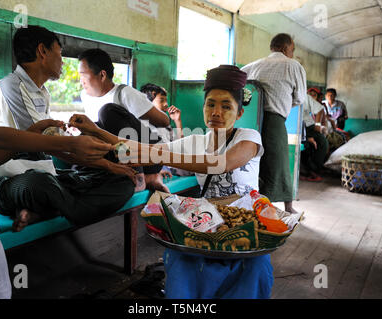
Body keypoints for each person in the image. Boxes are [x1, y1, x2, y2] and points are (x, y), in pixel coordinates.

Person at [0, 5, 113, 299]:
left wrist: (30, 137)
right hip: (13, 182)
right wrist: (67, 144)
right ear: (42, 52)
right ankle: (72, 208)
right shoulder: (9, 86)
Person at [69, 65, 274, 298]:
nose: (216, 112)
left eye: (226, 106)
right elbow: (140, 148)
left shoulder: (248, 137)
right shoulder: (196, 141)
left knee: (252, 269)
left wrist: (159, 156)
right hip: (208, 222)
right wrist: (95, 130)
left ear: (239, 114)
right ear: (204, 107)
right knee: (182, 261)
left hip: (246, 222)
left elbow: (222, 163)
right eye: (211, 104)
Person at [0, 25, 135, 231]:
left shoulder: (42, 93)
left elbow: (55, 144)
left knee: (122, 181)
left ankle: (45, 209)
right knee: (39, 184)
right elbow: (43, 143)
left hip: (48, 175)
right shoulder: (10, 86)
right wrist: (106, 164)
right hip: (9, 181)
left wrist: (110, 167)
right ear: (42, 52)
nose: (62, 61)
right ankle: (67, 209)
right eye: (60, 53)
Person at [78, 48, 170, 192]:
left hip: (151, 153)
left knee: (107, 112)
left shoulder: (125, 93)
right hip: (120, 153)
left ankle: (139, 177)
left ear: (102, 75)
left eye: (83, 75)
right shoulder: (85, 96)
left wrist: (132, 118)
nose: (81, 81)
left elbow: (165, 121)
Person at [241, 33, 306, 215]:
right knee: (279, 164)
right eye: (292, 50)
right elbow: (300, 98)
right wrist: (284, 103)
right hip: (274, 120)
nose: (292, 54)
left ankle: (252, 203)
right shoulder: (293, 66)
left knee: (253, 163)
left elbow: (240, 89)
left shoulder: (251, 66)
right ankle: (287, 207)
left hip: (249, 121)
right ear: (286, 49)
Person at [140, 83, 193, 177]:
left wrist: (177, 121)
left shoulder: (165, 126)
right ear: (148, 103)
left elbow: (180, 146)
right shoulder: (142, 124)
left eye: (166, 100)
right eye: (161, 100)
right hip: (157, 165)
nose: (166, 104)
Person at [300, 90, 329, 181]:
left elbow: (320, 109)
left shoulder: (305, 97)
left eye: (314, 95)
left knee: (322, 142)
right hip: (298, 128)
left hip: (308, 127)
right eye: (311, 94)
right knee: (308, 145)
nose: (312, 96)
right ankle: (310, 171)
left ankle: (315, 169)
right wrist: (307, 138)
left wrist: (317, 124)